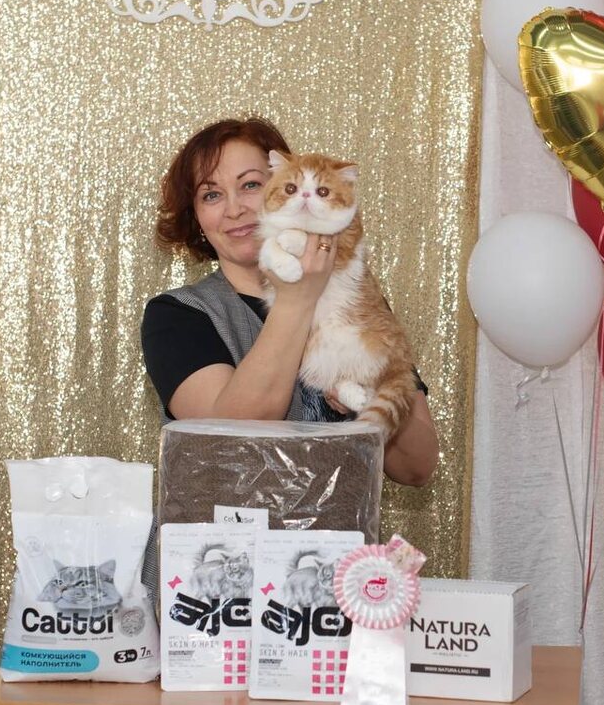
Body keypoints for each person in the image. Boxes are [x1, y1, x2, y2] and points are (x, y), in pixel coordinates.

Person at [141, 117, 439, 487]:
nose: (234, 209)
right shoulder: (178, 316)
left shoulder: (359, 296)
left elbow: (417, 467)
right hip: (232, 527)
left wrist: (369, 396)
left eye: (251, 185)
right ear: (197, 218)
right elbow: (230, 439)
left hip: (342, 525)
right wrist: (297, 298)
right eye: (211, 195)